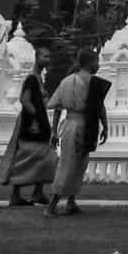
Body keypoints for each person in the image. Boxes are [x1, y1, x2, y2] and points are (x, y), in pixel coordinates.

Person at [47, 47, 106, 216]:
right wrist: (105, 126)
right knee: (69, 164)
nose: (99, 65)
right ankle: (52, 205)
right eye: (97, 61)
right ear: (89, 63)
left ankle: (71, 202)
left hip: (69, 125)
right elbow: (99, 107)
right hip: (84, 125)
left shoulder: (66, 81)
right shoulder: (93, 82)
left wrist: (54, 131)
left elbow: (57, 107)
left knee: (78, 164)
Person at [0, 56, 56, 208]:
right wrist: (35, 117)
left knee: (46, 156)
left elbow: (41, 102)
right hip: (30, 122)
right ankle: (15, 194)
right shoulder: (31, 79)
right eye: (44, 56)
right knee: (25, 156)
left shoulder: (39, 79)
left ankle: (38, 191)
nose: (47, 59)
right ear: (37, 58)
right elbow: (24, 99)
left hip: (39, 122)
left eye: (48, 56)